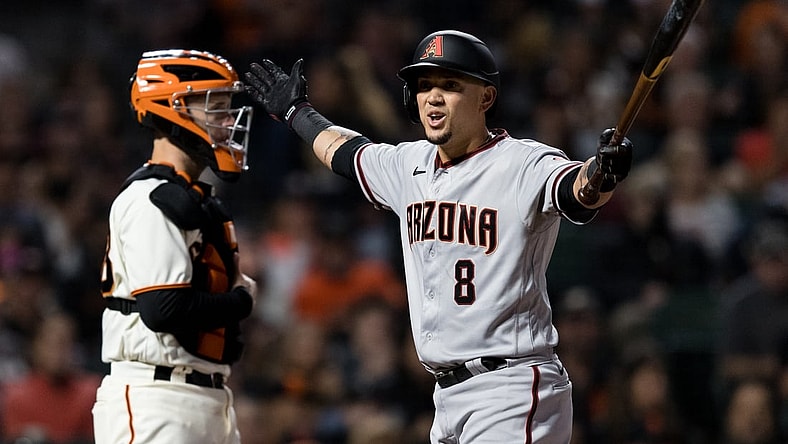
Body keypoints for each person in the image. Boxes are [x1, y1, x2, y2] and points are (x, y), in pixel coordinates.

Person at [245, 30, 633, 443]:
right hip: (446, 397)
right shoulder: (408, 164)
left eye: (450, 85)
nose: (432, 96)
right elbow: (344, 153)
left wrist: (602, 171)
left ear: (485, 98)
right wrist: (296, 112)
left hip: (511, 388)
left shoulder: (523, 163)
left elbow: (578, 192)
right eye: (424, 85)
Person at [92, 49, 258, 444]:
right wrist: (241, 301)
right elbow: (164, 309)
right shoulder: (150, 197)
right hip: (155, 397)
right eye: (215, 107)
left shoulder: (194, 197)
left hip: (205, 395)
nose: (227, 121)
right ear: (174, 108)